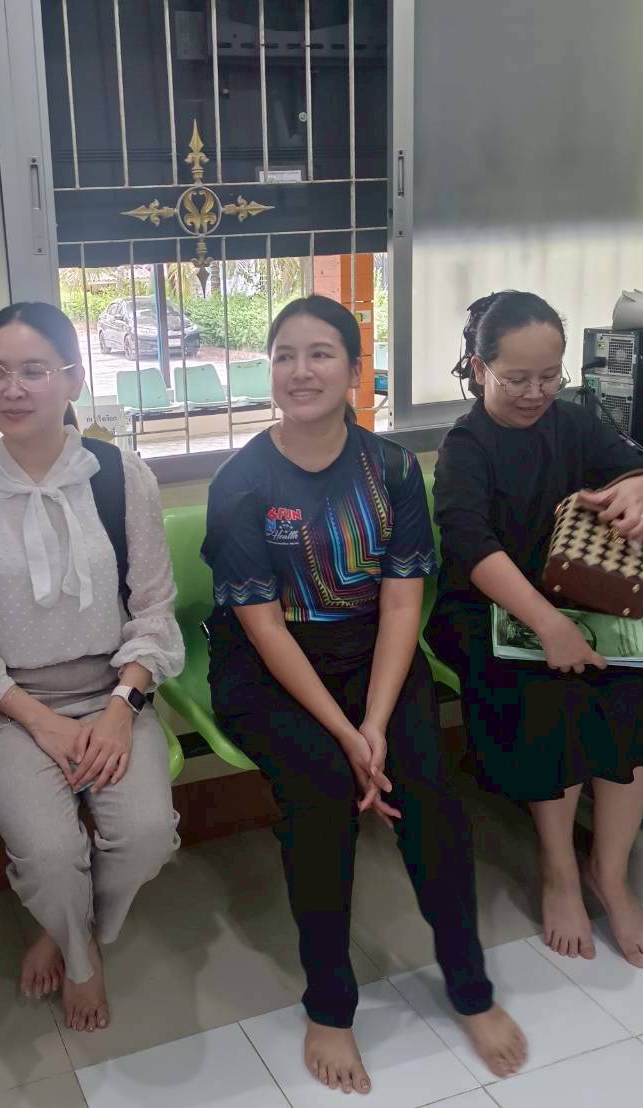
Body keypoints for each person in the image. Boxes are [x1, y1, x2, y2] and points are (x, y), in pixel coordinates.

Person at [202, 295, 527, 1095]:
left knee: (427, 796)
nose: (299, 370)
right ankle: (330, 1006)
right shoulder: (241, 482)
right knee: (319, 794)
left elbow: (401, 604)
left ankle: (470, 989)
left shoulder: (391, 469)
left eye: (319, 353)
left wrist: (375, 722)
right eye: (283, 354)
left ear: (352, 368)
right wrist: (346, 738)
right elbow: (261, 627)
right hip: (267, 667)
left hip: (373, 655)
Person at [0, 302, 182, 1033]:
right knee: (49, 852)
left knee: (146, 837)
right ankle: (80, 957)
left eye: (33, 371)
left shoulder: (122, 477)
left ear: (71, 380)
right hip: (5, 707)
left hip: (112, 693)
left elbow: (154, 611)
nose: (12, 389)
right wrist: (40, 722)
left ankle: (68, 928)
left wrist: (121, 710)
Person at [426, 290, 643, 970]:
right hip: (483, 611)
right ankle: (559, 871)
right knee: (551, 696)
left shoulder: (571, 422)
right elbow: (469, 545)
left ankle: (609, 871)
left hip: (575, 601)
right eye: (517, 378)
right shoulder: (466, 446)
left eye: (550, 376)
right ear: (479, 368)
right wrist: (545, 625)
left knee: (638, 692)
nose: (535, 393)